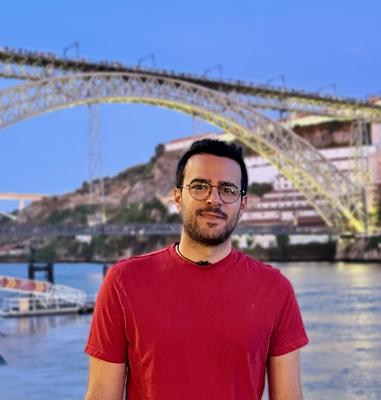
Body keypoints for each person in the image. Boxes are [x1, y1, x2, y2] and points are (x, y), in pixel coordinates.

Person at [84, 139, 308, 400]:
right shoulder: (124, 282)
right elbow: (101, 394)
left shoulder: (275, 289)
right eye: (200, 186)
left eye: (228, 190)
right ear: (178, 197)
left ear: (242, 204)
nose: (214, 199)